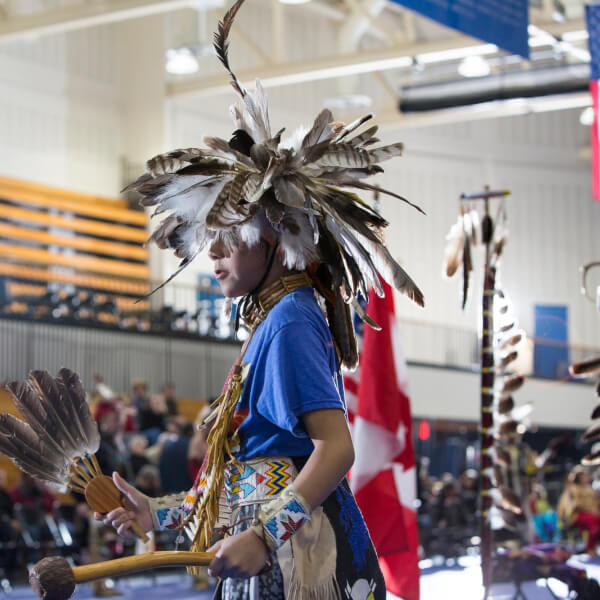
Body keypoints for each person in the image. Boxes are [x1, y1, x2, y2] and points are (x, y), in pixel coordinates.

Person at [96, 1, 424, 597]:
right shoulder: (273, 319)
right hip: (269, 547)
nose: (213, 255)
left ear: (276, 238)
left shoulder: (293, 318)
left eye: (228, 240)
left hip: (297, 555)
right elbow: (242, 473)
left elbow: (336, 449)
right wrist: (159, 514)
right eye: (206, 242)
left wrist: (266, 536)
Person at [558, 466, 600, 555]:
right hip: (576, 516)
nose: (585, 478)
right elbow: (571, 506)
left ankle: (593, 546)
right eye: (583, 476)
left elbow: (595, 503)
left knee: (596, 519)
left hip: (591, 514)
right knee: (594, 520)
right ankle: (590, 548)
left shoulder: (589, 488)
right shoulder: (572, 489)